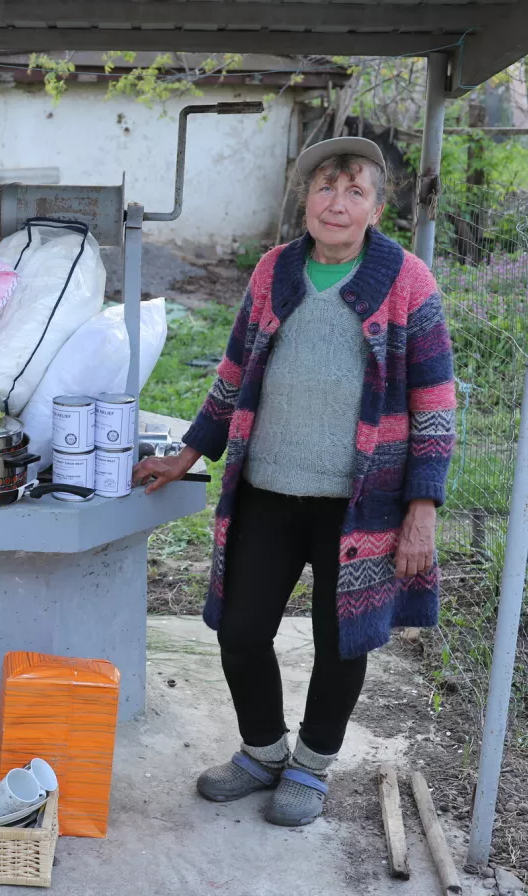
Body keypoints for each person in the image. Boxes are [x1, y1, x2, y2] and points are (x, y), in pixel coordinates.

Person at [132, 136, 456, 827]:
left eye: (354, 191)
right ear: (304, 199)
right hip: (267, 489)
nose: (336, 204)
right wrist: (187, 455)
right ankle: (262, 752)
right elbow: (233, 372)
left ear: (376, 207)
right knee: (240, 628)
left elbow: (434, 403)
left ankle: (310, 767)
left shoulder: (407, 281)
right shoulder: (275, 270)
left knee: (344, 639)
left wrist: (422, 508)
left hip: (361, 504)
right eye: (324, 188)